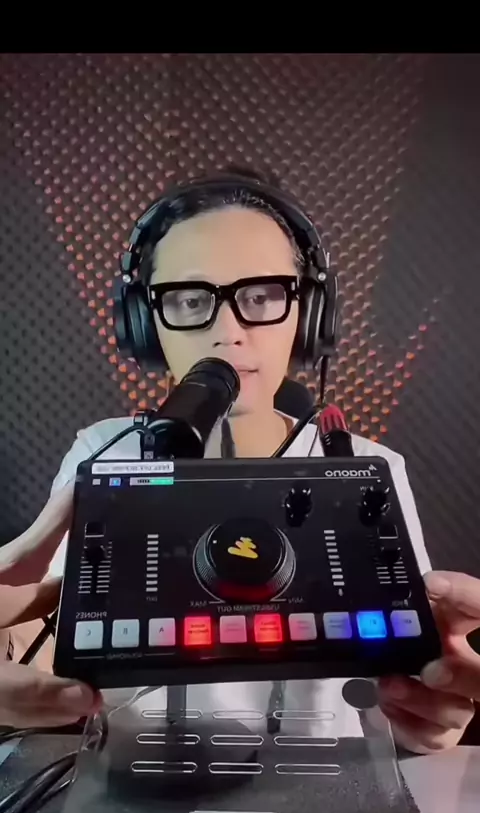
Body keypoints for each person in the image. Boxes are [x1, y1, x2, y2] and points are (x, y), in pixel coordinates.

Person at [0, 167, 478, 749]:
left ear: (310, 315)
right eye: (188, 299)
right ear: (144, 325)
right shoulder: (104, 453)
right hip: (141, 788)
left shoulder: (367, 464)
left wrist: (428, 716)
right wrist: (11, 644)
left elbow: (405, 677)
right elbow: (54, 647)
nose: (228, 333)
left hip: (327, 786)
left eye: (261, 296)